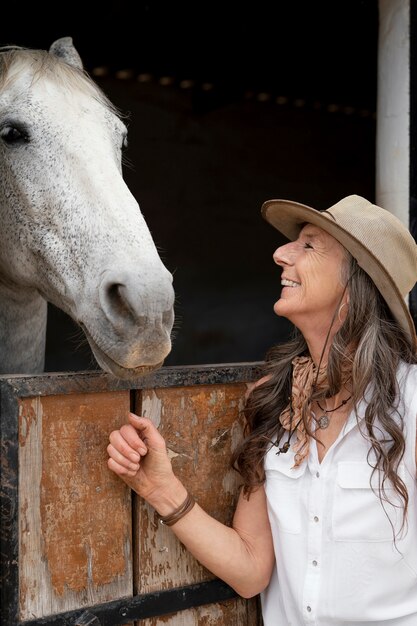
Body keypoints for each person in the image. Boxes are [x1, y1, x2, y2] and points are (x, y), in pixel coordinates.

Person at [107, 194, 417, 625]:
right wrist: (160, 488)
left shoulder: (413, 402)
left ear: (356, 282)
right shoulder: (275, 403)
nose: (280, 253)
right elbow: (252, 570)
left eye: (308, 245)